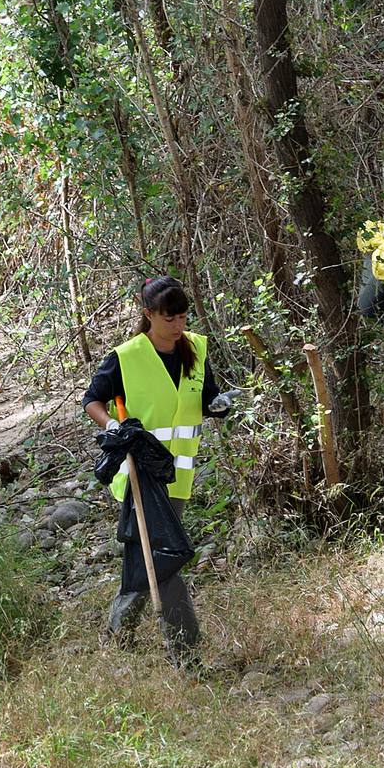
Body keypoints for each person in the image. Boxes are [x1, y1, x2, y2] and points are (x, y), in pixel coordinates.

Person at [83, 277, 235, 658]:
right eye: (170, 319)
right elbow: (93, 400)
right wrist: (113, 426)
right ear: (148, 315)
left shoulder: (196, 348)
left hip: (179, 474)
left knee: (147, 554)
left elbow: (205, 396)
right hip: (139, 474)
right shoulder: (126, 357)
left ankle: (117, 633)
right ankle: (186, 651)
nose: (179, 325)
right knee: (165, 557)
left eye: (183, 316)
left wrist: (218, 404)